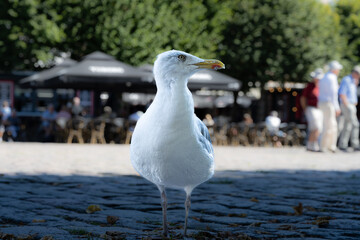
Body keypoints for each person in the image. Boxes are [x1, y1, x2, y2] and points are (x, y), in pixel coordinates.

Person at [318, 60, 342, 153]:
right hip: (329, 103)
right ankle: (328, 146)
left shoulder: (324, 77)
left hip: (323, 103)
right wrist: (337, 107)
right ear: (335, 70)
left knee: (327, 125)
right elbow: (333, 94)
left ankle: (328, 146)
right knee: (330, 125)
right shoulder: (332, 78)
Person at [300, 69, 324, 152]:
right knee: (315, 126)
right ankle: (311, 144)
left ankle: (312, 144)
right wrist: (305, 108)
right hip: (311, 108)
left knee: (318, 128)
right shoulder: (310, 86)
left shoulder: (321, 86)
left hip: (320, 109)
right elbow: (303, 98)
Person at [338, 65, 360, 151]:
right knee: (355, 124)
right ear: (355, 73)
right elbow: (342, 93)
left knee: (348, 125)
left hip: (351, 105)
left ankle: (343, 144)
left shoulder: (353, 81)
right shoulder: (347, 80)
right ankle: (355, 144)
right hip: (347, 105)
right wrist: (347, 105)